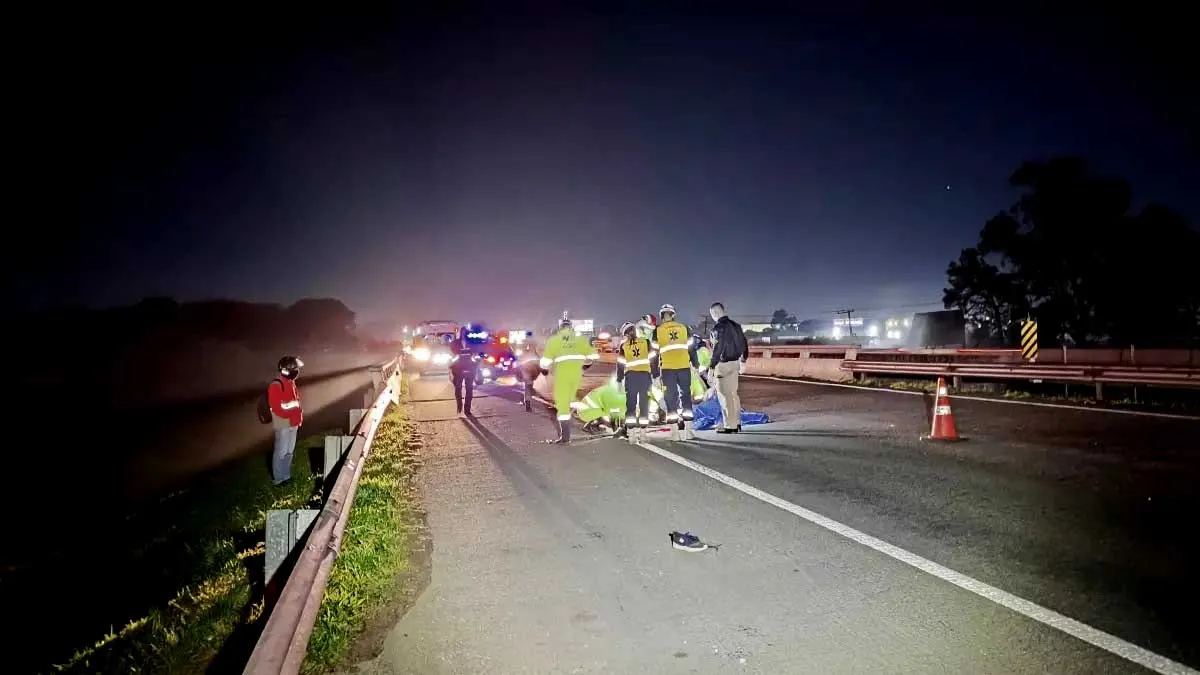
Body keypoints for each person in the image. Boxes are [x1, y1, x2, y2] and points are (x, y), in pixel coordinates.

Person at [539, 316, 599, 443]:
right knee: (572, 399)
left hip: (562, 376)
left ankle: (565, 437)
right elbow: (593, 356)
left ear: (560, 328)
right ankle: (591, 415)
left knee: (563, 405)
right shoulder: (580, 340)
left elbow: (545, 362)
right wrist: (584, 367)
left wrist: (544, 370)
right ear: (571, 328)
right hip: (576, 375)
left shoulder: (554, 340)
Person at [652, 303, 699, 440]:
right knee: (686, 397)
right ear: (674, 315)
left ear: (662, 316)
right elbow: (692, 349)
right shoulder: (684, 328)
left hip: (668, 370)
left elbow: (654, 355)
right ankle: (689, 431)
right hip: (684, 367)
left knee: (670, 399)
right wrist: (695, 365)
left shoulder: (658, 331)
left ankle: (675, 433)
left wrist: (655, 374)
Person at [705, 302, 749, 434]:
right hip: (735, 363)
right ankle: (737, 422)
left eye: (712, 314)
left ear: (715, 313)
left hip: (723, 365)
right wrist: (743, 360)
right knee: (733, 394)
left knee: (724, 395)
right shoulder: (736, 326)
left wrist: (712, 367)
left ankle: (730, 425)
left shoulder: (718, 328)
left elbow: (718, 348)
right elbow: (744, 343)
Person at [615, 321, 658, 443]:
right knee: (644, 405)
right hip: (644, 377)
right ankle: (643, 434)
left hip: (631, 378)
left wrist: (619, 380)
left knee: (631, 406)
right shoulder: (645, 342)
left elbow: (620, 365)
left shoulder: (624, 346)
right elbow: (653, 360)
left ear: (625, 334)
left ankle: (632, 434)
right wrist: (655, 376)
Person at [268, 356, 305, 485]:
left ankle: (286, 476)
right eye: (295, 368)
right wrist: (291, 416)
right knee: (281, 451)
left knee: (289, 451)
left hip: (293, 422)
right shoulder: (276, 385)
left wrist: (297, 418)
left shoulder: (291, 383)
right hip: (283, 422)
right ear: (286, 370)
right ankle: (278, 479)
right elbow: (277, 407)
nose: (297, 371)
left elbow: (295, 403)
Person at [449, 326, 480, 416]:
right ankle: (459, 405)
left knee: (469, 389)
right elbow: (451, 354)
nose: (465, 334)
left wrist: (476, 360)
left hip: (470, 369)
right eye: (463, 333)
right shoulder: (455, 343)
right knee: (458, 388)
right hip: (458, 369)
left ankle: (467, 409)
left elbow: (476, 354)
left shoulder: (472, 344)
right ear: (460, 333)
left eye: (466, 333)